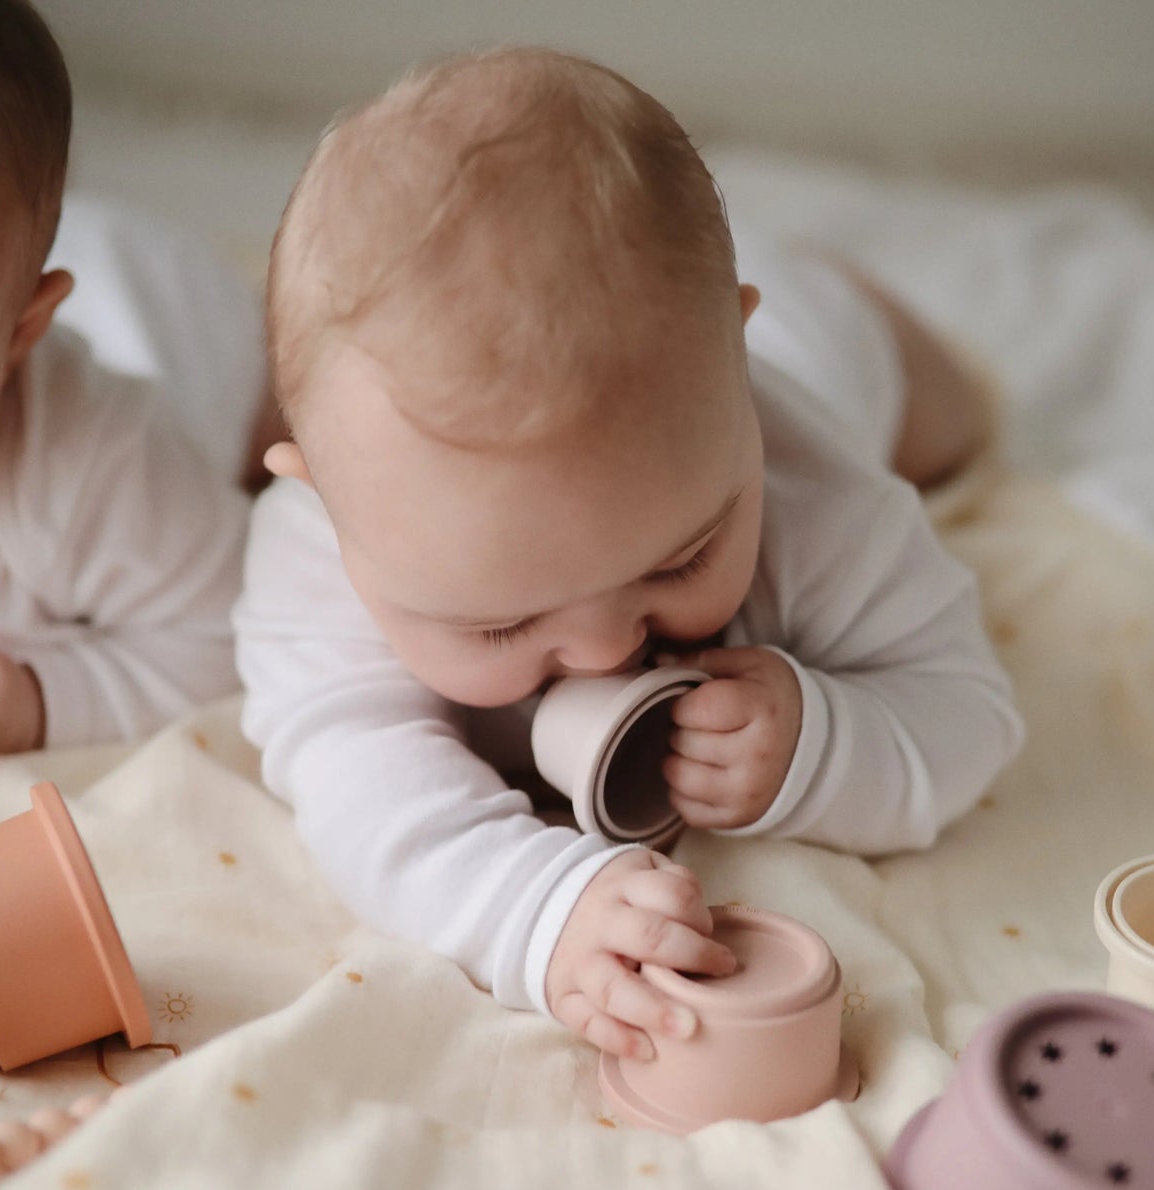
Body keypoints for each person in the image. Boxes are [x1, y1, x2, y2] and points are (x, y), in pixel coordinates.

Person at [235, 47, 1025, 1062]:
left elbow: (967, 711)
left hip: (828, 345)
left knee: (951, 413)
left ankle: (834, 291)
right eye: (499, 623)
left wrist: (822, 739)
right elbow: (355, 782)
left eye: (681, 560)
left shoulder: (812, 495)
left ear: (735, 385)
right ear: (323, 500)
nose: (608, 648)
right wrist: (537, 906)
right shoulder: (321, 553)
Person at [0, 0, 249, 774]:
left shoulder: (91, 463)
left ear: (19, 338)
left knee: (300, 415)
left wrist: (41, 697)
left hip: (172, 312)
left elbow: (232, 634)